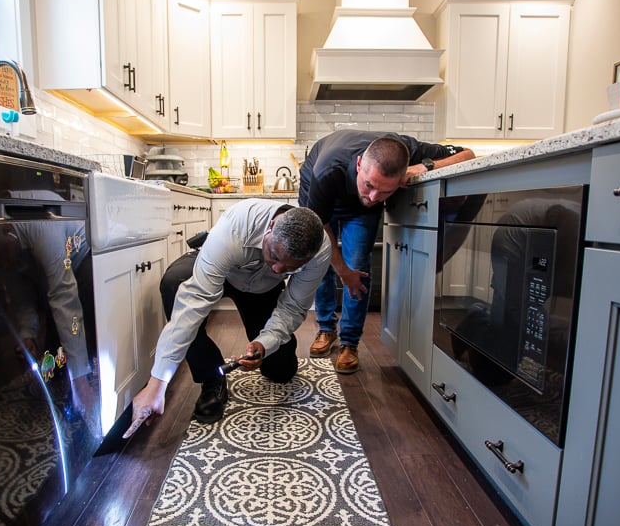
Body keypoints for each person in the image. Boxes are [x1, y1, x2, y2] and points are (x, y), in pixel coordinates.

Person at [122, 199, 331, 439]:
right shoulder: (235, 228)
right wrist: (157, 384)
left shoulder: (318, 251)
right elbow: (194, 302)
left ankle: (274, 352)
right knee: (174, 283)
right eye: (273, 255)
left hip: (262, 289)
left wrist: (264, 343)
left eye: (288, 269)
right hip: (223, 272)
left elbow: (293, 306)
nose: (277, 269)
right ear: (271, 226)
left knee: (281, 370)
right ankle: (212, 378)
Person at [298, 129, 475, 373]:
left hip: (358, 213)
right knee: (321, 264)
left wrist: (426, 167)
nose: (373, 197)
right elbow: (320, 231)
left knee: (358, 266)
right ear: (359, 164)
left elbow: (468, 155)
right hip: (317, 195)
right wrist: (342, 271)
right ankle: (326, 328)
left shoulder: (405, 148)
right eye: (369, 185)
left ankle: (349, 342)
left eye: (385, 191)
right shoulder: (327, 169)